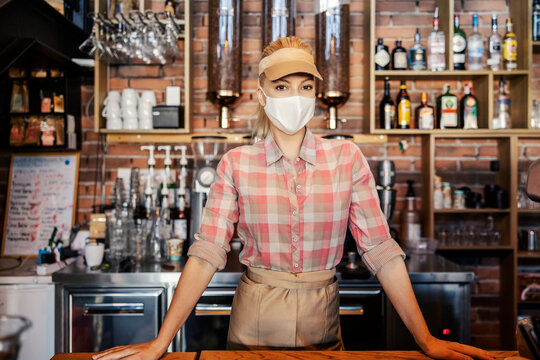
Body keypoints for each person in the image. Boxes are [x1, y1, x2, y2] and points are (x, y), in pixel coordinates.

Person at [94, 37, 494, 360]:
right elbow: (206, 254)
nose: (295, 96)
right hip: (253, 330)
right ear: (262, 94)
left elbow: (382, 252)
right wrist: (161, 342)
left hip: (325, 328)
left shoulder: (346, 157)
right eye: (282, 86)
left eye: (305, 87)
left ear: (316, 94)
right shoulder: (236, 164)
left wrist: (425, 339)